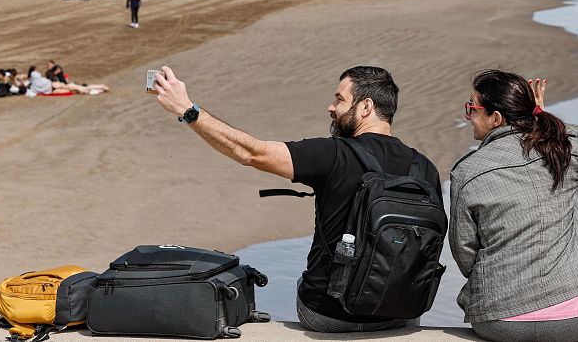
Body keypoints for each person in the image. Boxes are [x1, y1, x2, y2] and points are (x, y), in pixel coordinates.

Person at [151, 65, 441, 332]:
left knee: (305, 284)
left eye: (339, 99)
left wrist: (188, 110)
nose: (331, 107)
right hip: (401, 314)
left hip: (330, 315)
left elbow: (252, 153)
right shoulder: (424, 167)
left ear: (366, 107)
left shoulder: (334, 153)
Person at [450, 70, 578, 342]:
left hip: (498, 322)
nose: (468, 115)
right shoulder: (558, 154)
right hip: (577, 320)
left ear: (496, 119)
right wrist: (542, 120)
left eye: (472, 107)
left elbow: (464, 251)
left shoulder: (467, 172)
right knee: (567, 210)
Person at [26, 66, 109, 96]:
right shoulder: (34, 78)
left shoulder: (33, 84)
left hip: (52, 87)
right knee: (75, 89)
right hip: (52, 87)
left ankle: (99, 87)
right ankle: (99, 88)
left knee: (75, 88)